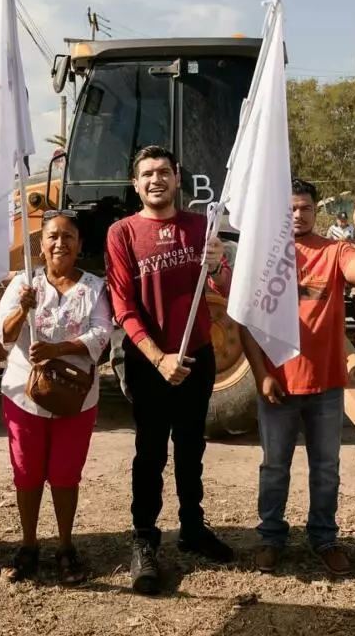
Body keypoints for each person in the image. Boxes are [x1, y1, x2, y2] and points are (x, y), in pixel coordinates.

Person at [105, 145, 232, 596]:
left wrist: (218, 265)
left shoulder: (202, 228)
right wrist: (158, 358)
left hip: (197, 356)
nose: (155, 180)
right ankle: (144, 540)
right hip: (149, 362)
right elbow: (123, 304)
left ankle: (193, 529)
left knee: (191, 447)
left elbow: (222, 288)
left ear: (178, 179)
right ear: (135, 184)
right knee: (150, 451)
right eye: (146, 174)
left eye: (163, 172)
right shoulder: (122, 233)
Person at [239, 179, 355, 576]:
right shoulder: (264, 257)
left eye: (304, 208)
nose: (297, 215)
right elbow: (247, 323)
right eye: (290, 209)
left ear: (314, 211)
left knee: (326, 467)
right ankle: (271, 537)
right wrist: (261, 374)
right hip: (278, 384)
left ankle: (324, 539)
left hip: (326, 384)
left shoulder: (335, 251)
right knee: (274, 466)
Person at [0, 211, 111, 586]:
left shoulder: (94, 287)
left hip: (76, 397)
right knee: (27, 474)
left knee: (64, 474)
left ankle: (65, 546)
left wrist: (58, 348)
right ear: (40, 245)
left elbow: (102, 334)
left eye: (69, 236)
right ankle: (28, 546)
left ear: (80, 244)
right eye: (52, 237)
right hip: (24, 395)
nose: (60, 243)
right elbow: (2, 335)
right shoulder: (23, 283)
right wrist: (22, 308)